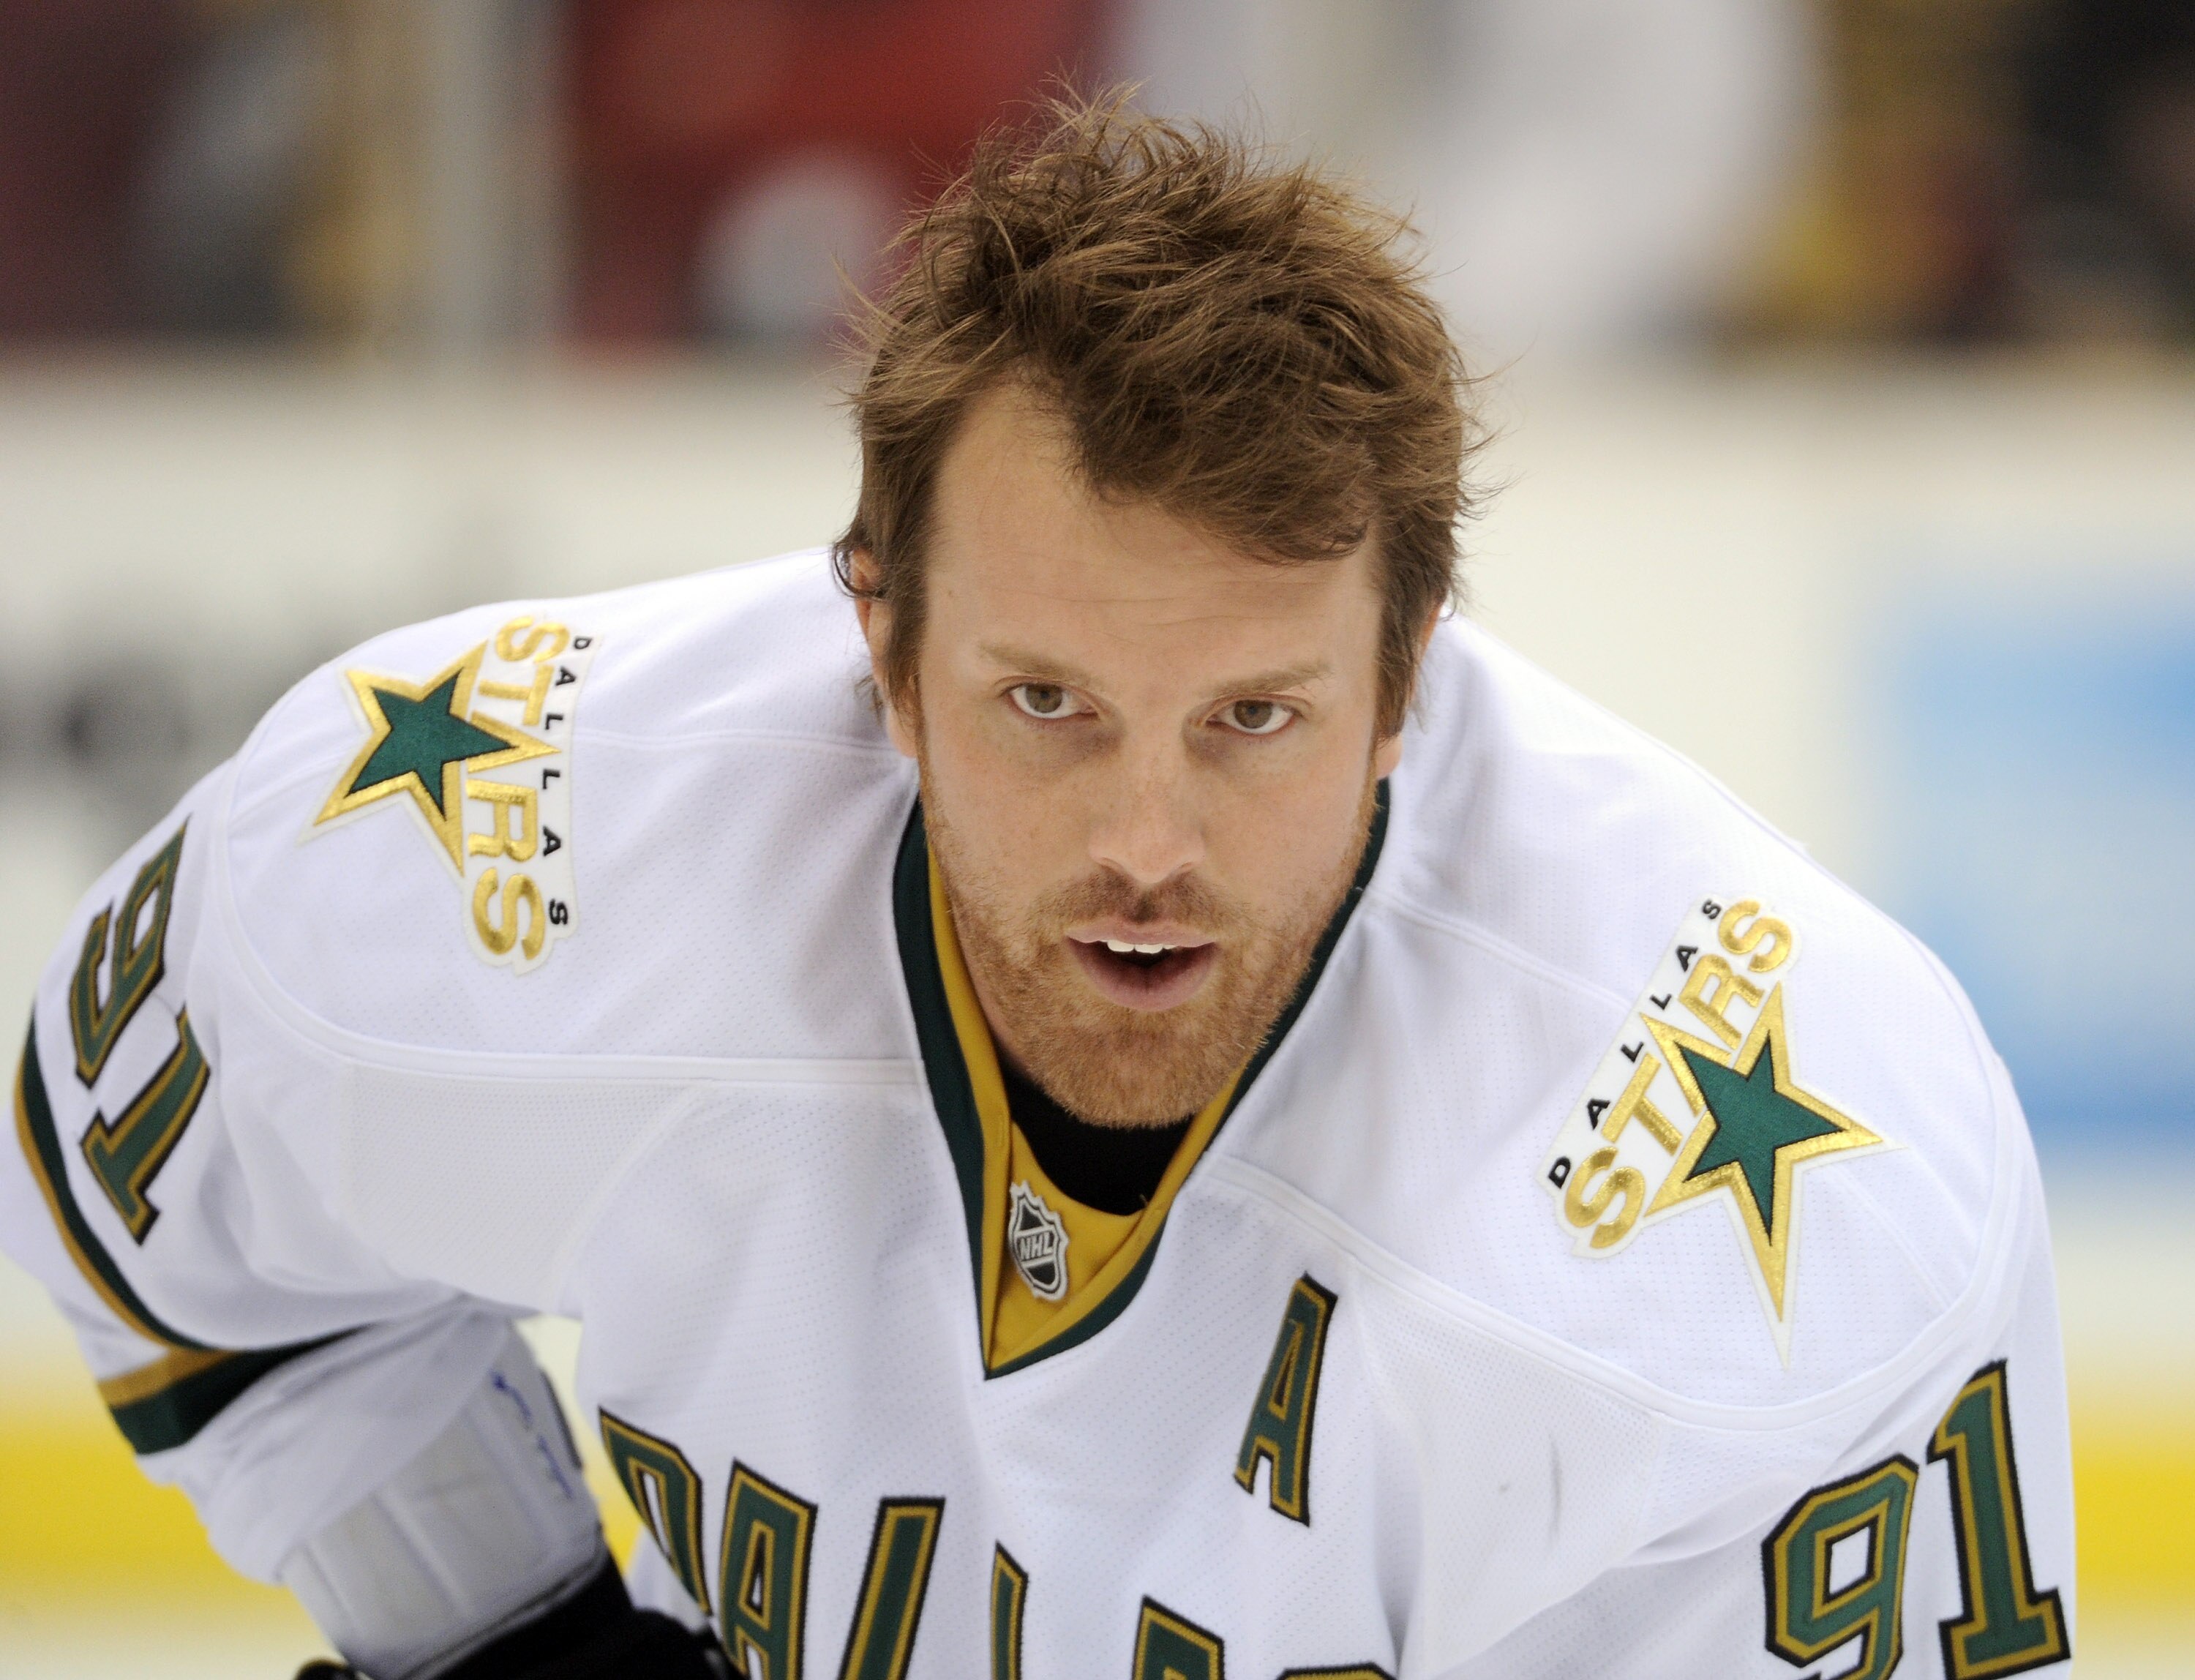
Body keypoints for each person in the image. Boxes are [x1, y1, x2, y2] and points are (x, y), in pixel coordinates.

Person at [2, 98, 2074, 1679]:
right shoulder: (487, 850)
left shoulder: (1783, 1179)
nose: (1144, 845)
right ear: (881, 645)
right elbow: (169, 1236)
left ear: (1403, 682)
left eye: (1251, 717)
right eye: (1047, 700)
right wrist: (497, 1632)